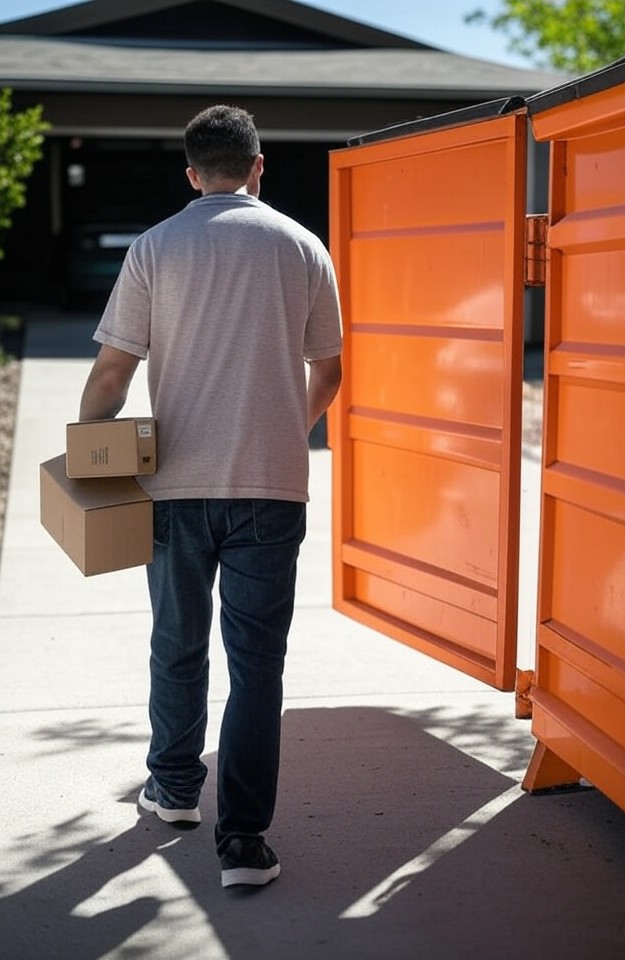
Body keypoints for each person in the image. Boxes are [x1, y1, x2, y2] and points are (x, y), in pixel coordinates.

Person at [77, 104, 343, 888]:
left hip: (176, 487)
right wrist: (282, 428)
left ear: (192, 175)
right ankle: (245, 845)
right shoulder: (302, 246)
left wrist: (91, 461)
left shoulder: (156, 246)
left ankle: (177, 790)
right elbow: (328, 371)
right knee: (258, 663)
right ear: (260, 166)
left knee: (177, 642)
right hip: (272, 486)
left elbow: (112, 374)